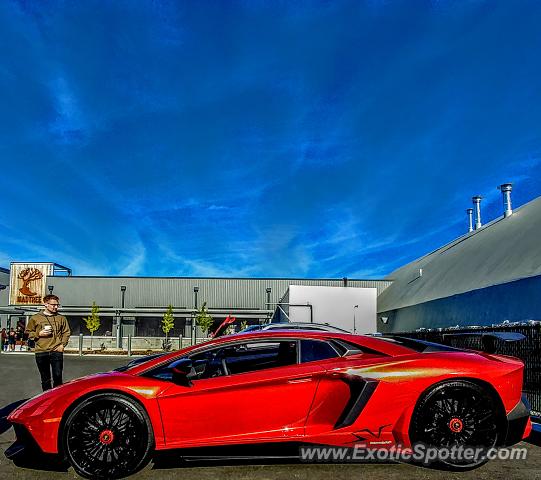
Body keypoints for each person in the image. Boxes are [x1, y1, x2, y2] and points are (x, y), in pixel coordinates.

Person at [25, 295, 71, 391]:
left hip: (56, 350)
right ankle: (47, 400)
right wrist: (39, 333)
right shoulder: (35, 318)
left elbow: (66, 332)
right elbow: (27, 333)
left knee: (58, 378)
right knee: (45, 379)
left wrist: (62, 344)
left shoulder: (61, 318)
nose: (56, 307)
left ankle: (58, 400)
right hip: (41, 351)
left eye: (57, 305)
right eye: (53, 305)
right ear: (45, 304)